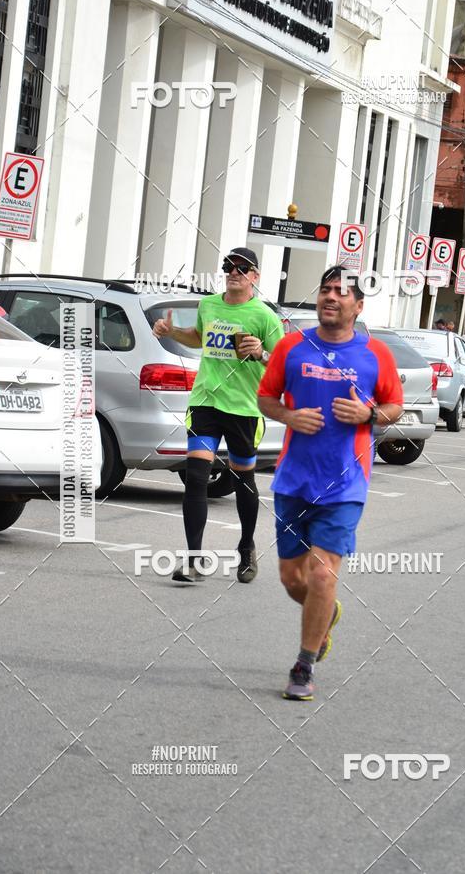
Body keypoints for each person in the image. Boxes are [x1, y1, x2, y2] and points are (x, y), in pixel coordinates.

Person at [257, 266, 404, 700]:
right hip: (294, 479)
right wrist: (288, 415)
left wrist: (369, 414)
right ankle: (326, 613)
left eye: (342, 292)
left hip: (345, 483)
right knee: (292, 578)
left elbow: (395, 406)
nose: (331, 297)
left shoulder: (376, 353)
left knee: (322, 575)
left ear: (358, 306)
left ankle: (304, 665)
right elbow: (265, 397)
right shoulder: (291, 346)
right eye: (326, 289)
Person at [153, 248, 284, 582]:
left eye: (242, 268)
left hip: (244, 407)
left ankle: (246, 546)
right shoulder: (208, 305)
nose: (234, 272)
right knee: (197, 476)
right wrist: (172, 333)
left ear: (255, 276)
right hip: (206, 401)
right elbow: (198, 338)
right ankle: (194, 559)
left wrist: (261, 353)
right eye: (229, 266)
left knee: (242, 479)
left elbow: (283, 364)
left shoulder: (264, 316)